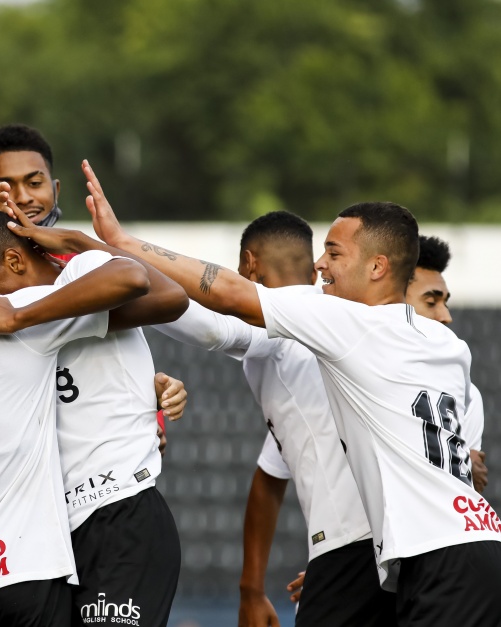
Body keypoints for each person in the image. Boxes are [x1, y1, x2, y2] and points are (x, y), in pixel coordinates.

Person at [63, 161, 501, 625]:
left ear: (378, 267)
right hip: (445, 544)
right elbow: (271, 477)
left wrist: (117, 250)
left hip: (398, 551)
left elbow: (220, 309)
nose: (319, 266)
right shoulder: (449, 348)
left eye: (333, 253)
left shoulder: (339, 321)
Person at [151, 212, 394, 626]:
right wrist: (252, 587)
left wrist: (112, 272)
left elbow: (212, 329)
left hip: (352, 544)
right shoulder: (334, 321)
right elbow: (269, 474)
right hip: (387, 543)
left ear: (249, 264)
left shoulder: (294, 315)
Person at [0, 208, 184, 627]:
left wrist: (76, 244)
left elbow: (148, 286)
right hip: (58, 536)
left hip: (119, 512)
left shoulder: (78, 273)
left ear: (14, 261)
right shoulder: (8, 338)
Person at [406, 235, 487, 492]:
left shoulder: (467, 394)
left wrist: (462, 466)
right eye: (431, 302)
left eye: (445, 302)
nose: (446, 316)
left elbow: (465, 491)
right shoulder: (346, 364)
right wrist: (459, 461)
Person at [0, 124, 63, 226]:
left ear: (56, 190)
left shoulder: (78, 240)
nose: (23, 199)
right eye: (4, 189)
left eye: (34, 183)